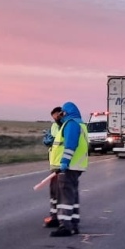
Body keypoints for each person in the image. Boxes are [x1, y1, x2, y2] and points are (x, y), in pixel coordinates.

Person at [49, 102, 89, 237]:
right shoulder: (80, 124)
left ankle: (65, 226)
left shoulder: (71, 124)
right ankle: (73, 223)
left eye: (62, 113)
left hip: (69, 166)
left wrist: (64, 162)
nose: (60, 115)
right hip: (76, 165)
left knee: (65, 196)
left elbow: (71, 145)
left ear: (66, 113)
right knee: (72, 194)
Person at [42, 106, 63, 228]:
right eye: (53, 116)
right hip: (54, 164)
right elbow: (51, 142)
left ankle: (62, 218)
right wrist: (47, 139)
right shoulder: (54, 126)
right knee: (53, 192)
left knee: (63, 193)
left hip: (64, 164)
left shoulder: (66, 126)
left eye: (56, 115)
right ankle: (54, 216)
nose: (55, 118)